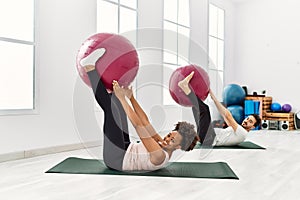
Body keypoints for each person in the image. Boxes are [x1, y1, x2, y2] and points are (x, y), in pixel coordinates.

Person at [80, 49, 199, 171]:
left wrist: (123, 99)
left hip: (116, 160)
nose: (167, 139)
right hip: (126, 148)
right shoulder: (163, 144)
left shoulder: (159, 155)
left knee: (111, 111)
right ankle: (108, 92)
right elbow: (145, 122)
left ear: (178, 147)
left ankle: (89, 68)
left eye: (172, 140)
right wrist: (131, 98)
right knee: (118, 106)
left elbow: (138, 126)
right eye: (169, 135)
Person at [178, 71, 261, 147]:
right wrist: (214, 99)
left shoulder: (242, 134)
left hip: (209, 139)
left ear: (253, 127)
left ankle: (184, 87)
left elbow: (228, 115)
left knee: (204, 109)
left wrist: (214, 98)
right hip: (207, 136)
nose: (246, 121)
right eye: (247, 118)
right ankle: (186, 91)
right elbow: (225, 116)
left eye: (250, 121)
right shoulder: (238, 130)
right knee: (196, 108)